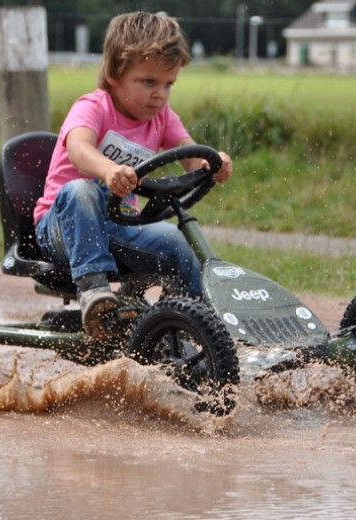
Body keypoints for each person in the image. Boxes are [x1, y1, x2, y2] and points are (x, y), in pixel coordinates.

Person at [33, 11, 233, 337]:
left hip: (121, 224)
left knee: (176, 242)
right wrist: (108, 169)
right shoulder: (94, 107)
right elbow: (78, 149)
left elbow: (194, 159)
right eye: (149, 82)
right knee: (80, 190)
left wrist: (215, 164)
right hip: (64, 229)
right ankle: (95, 295)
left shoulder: (162, 118)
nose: (160, 94)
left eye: (169, 84)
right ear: (115, 74)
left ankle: (192, 325)